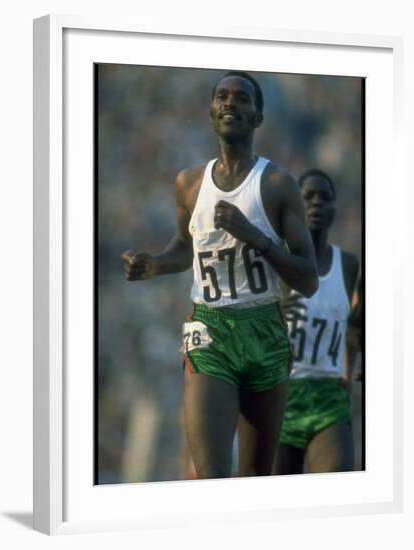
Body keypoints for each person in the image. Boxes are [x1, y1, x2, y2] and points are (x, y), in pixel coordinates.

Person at [121, 71, 318, 479]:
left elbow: (307, 278)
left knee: (254, 483)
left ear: (259, 117)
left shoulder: (278, 185)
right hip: (210, 331)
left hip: (265, 330)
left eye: (242, 98)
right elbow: (184, 247)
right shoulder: (188, 184)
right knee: (212, 479)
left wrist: (255, 237)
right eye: (222, 97)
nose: (230, 103)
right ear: (211, 112)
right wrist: (156, 263)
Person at [272, 169, 360, 475]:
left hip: (329, 399)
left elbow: (356, 326)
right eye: (308, 197)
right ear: (294, 204)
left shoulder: (349, 266)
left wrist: (353, 367)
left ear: (336, 207)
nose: (317, 204)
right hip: (281, 398)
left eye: (326, 197)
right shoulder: (278, 262)